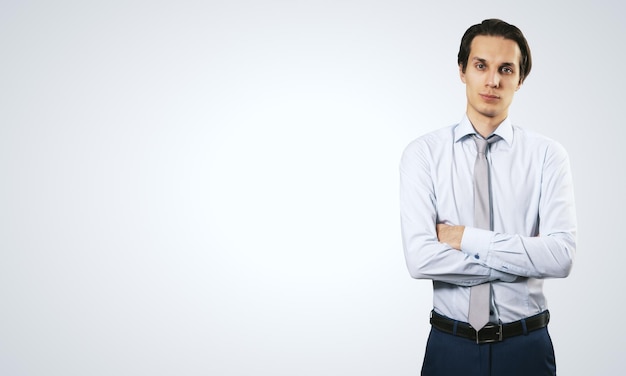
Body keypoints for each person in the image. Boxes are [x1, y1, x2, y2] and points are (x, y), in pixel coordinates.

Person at [399, 19, 577, 375]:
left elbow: (560, 257)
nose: (493, 81)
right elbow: (420, 259)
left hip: (526, 347)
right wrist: (523, 259)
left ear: (520, 79)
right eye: (481, 66)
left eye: (505, 69)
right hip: (450, 347)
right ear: (462, 70)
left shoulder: (547, 156)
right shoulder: (423, 154)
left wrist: (463, 237)